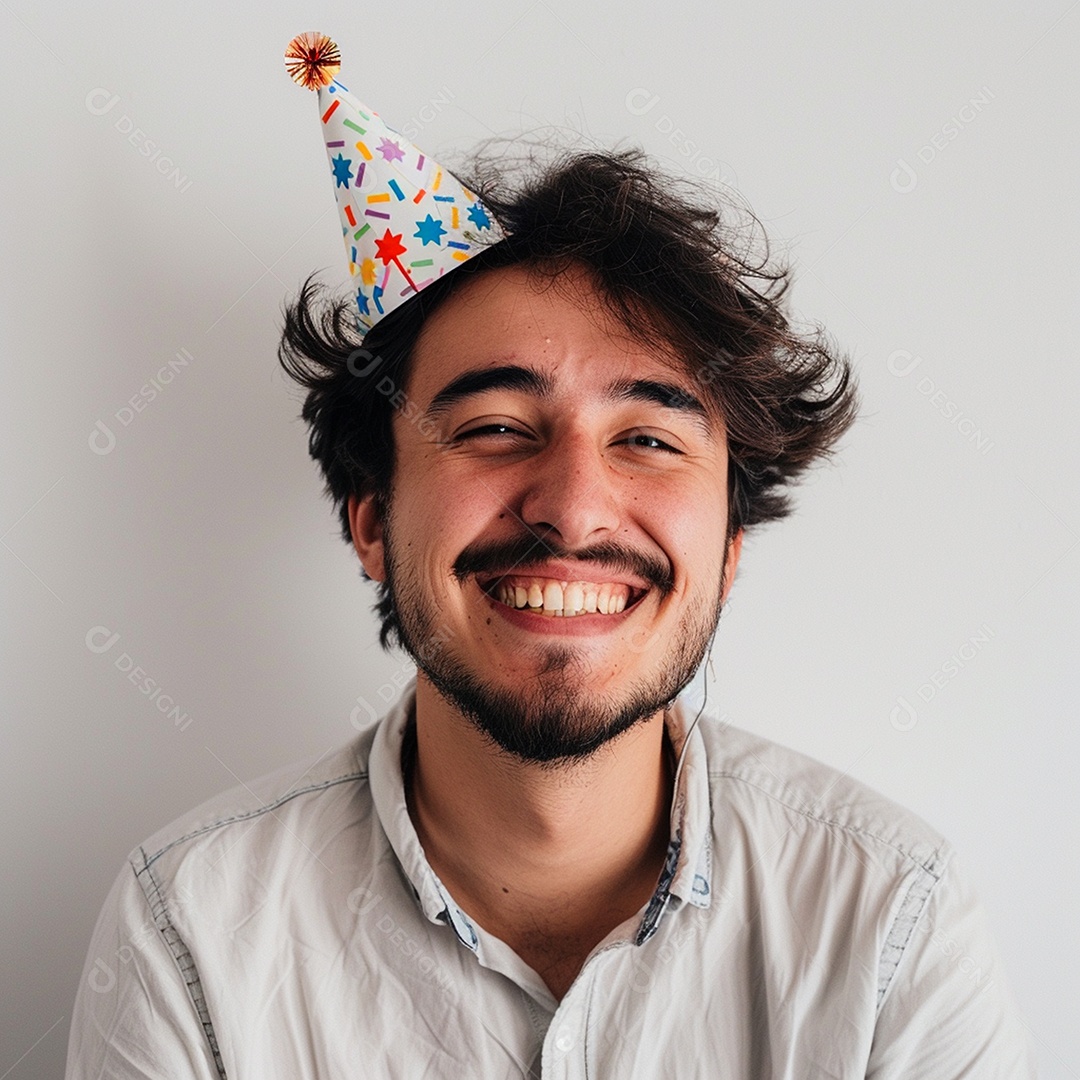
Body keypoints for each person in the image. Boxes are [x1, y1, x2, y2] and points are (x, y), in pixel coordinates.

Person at [65, 34, 1036, 1079]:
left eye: (648, 439)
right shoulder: (190, 932)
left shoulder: (892, 921)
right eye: (493, 428)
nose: (573, 510)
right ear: (372, 519)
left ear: (730, 544)